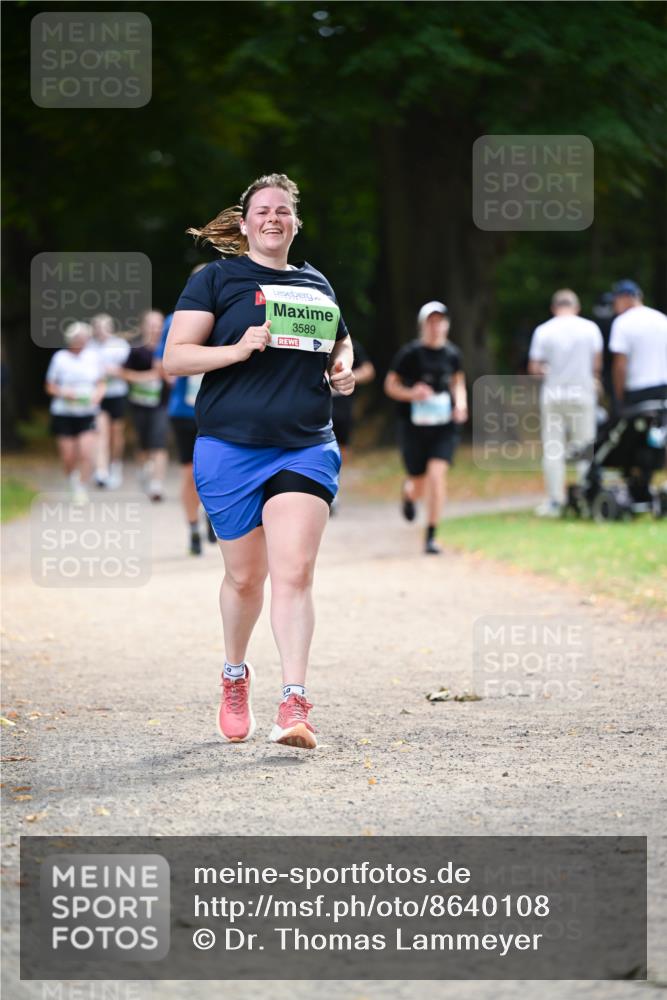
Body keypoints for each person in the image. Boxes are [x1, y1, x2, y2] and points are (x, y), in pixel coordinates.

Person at [163, 173, 354, 749]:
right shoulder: (217, 280)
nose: (273, 218)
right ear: (245, 223)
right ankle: (235, 675)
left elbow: (340, 339)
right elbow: (176, 357)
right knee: (246, 578)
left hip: (305, 444)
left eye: (283, 211)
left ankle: (295, 700)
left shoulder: (315, 283)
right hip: (229, 447)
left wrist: (342, 366)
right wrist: (238, 348)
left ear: (296, 222)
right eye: (262, 211)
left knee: (294, 573)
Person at [384, 301, 468, 554]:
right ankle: (409, 495)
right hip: (414, 427)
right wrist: (413, 393)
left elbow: (458, 382)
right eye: (431, 321)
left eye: (440, 321)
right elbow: (390, 386)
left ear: (447, 325)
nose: (436, 326)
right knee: (418, 483)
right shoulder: (410, 354)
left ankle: (431, 536)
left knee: (437, 475)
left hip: (444, 426)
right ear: (423, 325)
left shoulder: (453, 354)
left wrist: (461, 404)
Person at [528, 289, 603, 517]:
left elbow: (534, 368)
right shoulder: (590, 328)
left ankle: (555, 501)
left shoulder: (544, 330)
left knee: (553, 449)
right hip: (582, 395)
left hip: (553, 396)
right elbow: (596, 365)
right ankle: (586, 498)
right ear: (577, 307)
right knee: (585, 448)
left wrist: (547, 370)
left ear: (554, 308)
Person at [154, 285, 217, 555]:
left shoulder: (231, 314)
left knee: (218, 472)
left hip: (220, 410)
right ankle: (193, 527)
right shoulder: (175, 319)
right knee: (190, 474)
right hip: (185, 410)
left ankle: (211, 515)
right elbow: (162, 362)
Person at [44, 321, 106, 504]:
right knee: (68, 455)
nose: (82, 342)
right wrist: (64, 393)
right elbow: (49, 386)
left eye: (84, 339)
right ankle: (71, 480)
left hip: (87, 411)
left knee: (87, 452)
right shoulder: (60, 358)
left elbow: (102, 382)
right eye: (78, 339)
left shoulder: (93, 357)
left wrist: (98, 395)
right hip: (64, 412)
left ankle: (81, 487)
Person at [119, 309, 168, 501]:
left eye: (159, 325)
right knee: (143, 444)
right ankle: (143, 468)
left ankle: (156, 485)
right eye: (152, 325)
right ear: (144, 327)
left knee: (159, 442)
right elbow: (123, 373)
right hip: (139, 403)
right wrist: (143, 378)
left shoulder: (168, 347)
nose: (156, 329)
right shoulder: (137, 350)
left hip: (162, 403)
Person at [609, 279, 667, 408]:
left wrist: (619, 399)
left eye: (616, 299)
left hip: (637, 390)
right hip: (663, 387)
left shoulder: (621, 322)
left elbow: (620, 365)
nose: (614, 304)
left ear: (625, 298)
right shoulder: (662, 319)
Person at [89, 313, 131, 489]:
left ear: (111, 328)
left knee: (116, 433)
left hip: (117, 393)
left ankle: (115, 465)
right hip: (98, 395)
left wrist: (113, 371)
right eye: (98, 327)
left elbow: (127, 370)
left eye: (104, 327)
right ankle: (101, 471)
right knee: (101, 432)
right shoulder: (90, 347)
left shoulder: (121, 346)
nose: (101, 331)